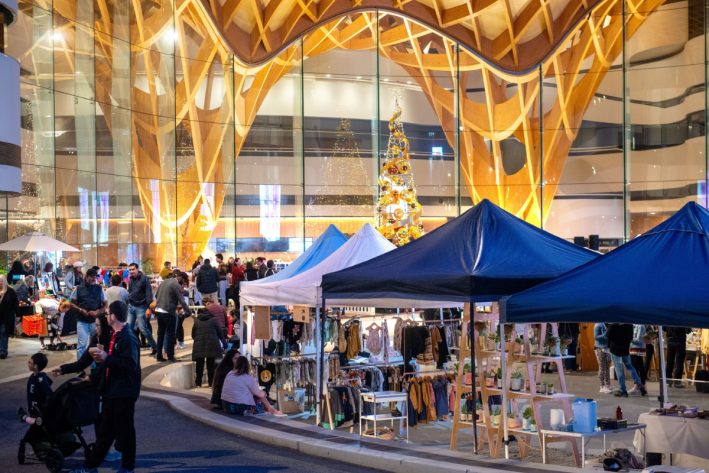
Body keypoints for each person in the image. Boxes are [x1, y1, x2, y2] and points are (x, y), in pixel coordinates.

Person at [70, 301, 140, 473]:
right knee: (105, 432)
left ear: (113, 316)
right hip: (113, 390)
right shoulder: (117, 335)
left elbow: (130, 365)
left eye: (108, 314)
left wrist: (106, 358)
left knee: (125, 432)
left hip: (124, 392)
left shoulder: (128, 338)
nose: (106, 316)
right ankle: (90, 466)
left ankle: (127, 467)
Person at [70, 268, 108, 361]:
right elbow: (71, 303)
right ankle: (80, 368)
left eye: (95, 277)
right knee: (81, 344)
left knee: (95, 344)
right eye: (92, 277)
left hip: (95, 321)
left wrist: (97, 312)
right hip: (82, 320)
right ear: (86, 277)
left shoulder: (100, 288)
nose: (94, 279)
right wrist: (80, 309)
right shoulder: (78, 288)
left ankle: (94, 367)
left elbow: (105, 304)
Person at [151, 272, 191, 362]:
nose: (183, 285)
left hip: (159, 310)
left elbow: (157, 295)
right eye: (184, 282)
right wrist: (189, 312)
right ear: (181, 278)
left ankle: (159, 355)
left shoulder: (164, 282)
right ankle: (170, 356)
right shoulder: (175, 284)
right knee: (170, 334)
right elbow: (182, 300)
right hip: (168, 311)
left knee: (160, 333)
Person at [191, 300, 226, 388]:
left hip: (199, 346)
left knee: (199, 364)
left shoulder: (197, 321)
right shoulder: (213, 320)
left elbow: (193, 334)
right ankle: (211, 383)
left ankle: (198, 383)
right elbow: (220, 333)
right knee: (210, 365)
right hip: (212, 344)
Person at [607, 323, 646, 397]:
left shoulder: (614, 324)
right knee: (630, 367)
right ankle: (639, 384)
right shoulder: (628, 324)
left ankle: (623, 390)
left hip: (615, 349)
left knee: (619, 369)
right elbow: (631, 337)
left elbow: (608, 335)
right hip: (625, 348)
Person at [127, 263, 156, 355]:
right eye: (130, 270)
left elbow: (148, 293)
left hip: (141, 307)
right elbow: (130, 292)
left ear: (137, 269)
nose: (131, 271)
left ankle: (155, 347)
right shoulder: (131, 279)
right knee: (128, 328)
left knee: (143, 329)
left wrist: (148, 308)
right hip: (131, 306)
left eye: (133, 269)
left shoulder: (144, 278)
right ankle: (130, 349)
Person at [17, 353, 53, 425]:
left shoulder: (41, 379)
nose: (28, 363)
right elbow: (31, 393)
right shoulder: (32, 377)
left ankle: (23, 417)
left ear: (35, 366)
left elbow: (49, 393)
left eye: (30, 362)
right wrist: (29, 405)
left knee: (38, 423)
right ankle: (24, 417)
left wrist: (44, 405)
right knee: (36, 426)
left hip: (39, 409)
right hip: (33, 408)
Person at [0, 274, 21, 359]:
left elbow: (15, 304)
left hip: (6, 317)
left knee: (3, 333)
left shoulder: (10, 291)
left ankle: (3, 351)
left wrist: (18, 314)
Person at [594, 322, 615, 393]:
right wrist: (605, 335)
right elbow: (596, 337)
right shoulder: (598, 325)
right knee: (602, 367)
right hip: (599, 348)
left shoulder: (610, 324)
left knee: (607, 367)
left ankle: (608, 384)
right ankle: (602, 386)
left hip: (608, 348)